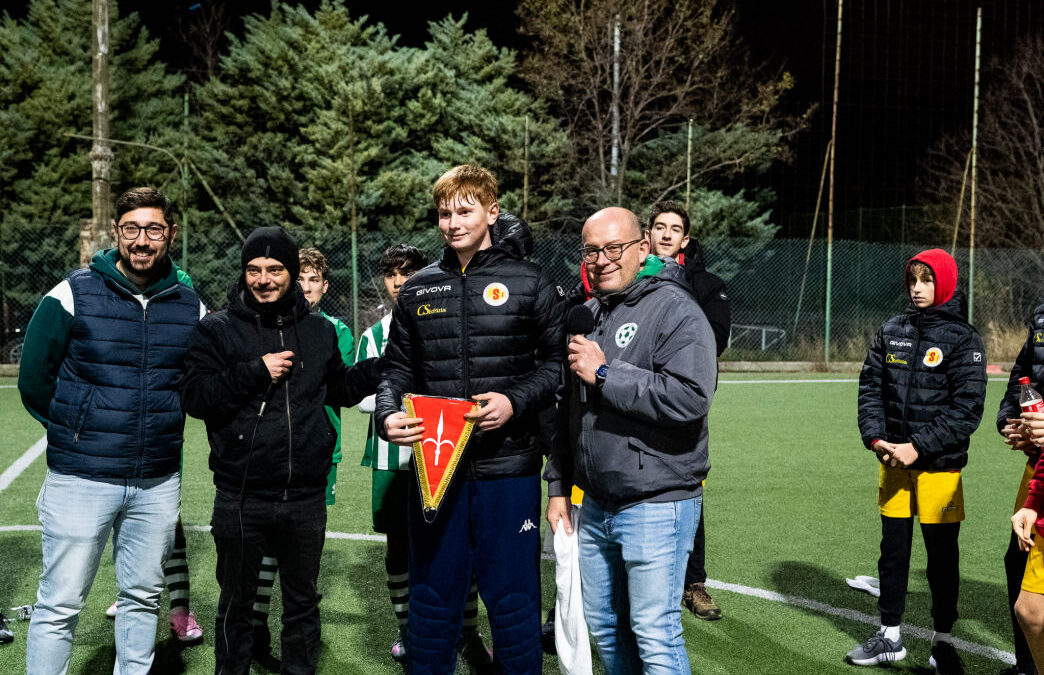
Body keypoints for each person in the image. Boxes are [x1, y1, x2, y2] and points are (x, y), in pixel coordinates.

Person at [375, 164, 565, 674]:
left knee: (513, 601)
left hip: (510, 469)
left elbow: (557, 367)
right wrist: (389, 415)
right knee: (433, 598)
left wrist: (513, 401)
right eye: (444, 212)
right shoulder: (418, 289)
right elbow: (397, 371)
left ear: (491, 212)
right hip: (436, 471)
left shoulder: (531, 282)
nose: (453, 222)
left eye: (465, 210)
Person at [18, 187, 205, 674]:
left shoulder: (189, 305)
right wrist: (75, 430)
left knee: (142, 600)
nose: (142, 240)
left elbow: (204, 380)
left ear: (171, 234)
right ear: (116, 232)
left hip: (157, 482)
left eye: (154, 229)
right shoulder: (72, 292)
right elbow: (35, 378)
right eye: (132, 229)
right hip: (81, 478)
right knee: (59, 605)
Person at [179, 226, 378, 675]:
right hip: (240, 495)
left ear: (291, 272)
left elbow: (340, 389)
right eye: (253, 269)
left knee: (302, 605)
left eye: (274, 269)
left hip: (305, 497)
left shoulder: (319, 331)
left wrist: (385, 366)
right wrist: (255, 372)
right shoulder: (216, 330)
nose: (263, 279)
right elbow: (195, 397)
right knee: (236, 606)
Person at [545, 206, 717, 674]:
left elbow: (689, 398)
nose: (601, 259)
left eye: (614, 248)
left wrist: (605, 372)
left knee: (655, 632)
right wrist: (557, 484)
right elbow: (568, 408)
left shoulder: (677, 310)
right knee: (604, 625)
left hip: (657, 501)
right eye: (592, 250)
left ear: (643, 250)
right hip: (596, 503)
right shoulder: (589, 312)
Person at [848, 248, 986, 674]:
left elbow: (966, 410)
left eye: (926, 280)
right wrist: (876, 438)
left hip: (939, 469)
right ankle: (889, 636)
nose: (918, 288)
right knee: (893, 552)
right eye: (913, 280)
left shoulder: (964, 339)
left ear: (943, 284)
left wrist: (918, 446)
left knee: (942, 558)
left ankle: (942, 642)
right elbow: (870, 387)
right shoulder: (892, 329)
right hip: (893, 464)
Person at [248, 246, 355, 657]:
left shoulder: (335, 331)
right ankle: (256, 619)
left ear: (325, 287)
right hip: (271, 449)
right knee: (267, 542)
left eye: (315, 280)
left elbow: (335, 386)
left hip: (317, 452)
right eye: (302, 278)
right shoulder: (266, 323)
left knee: (303, 544)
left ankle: (298, 623)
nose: (307, 287)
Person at [646, 200, 730, 622]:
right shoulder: (628, 278)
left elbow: (713, 342)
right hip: (634, 398)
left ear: (685, 238)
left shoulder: (707, 284)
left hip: (681, 405)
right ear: (647, 233)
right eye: (659, 226)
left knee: (688, 489)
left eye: (674, 228)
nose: (665, 234)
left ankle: (693, 583)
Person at [998, 305, 1044, 675]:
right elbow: (1021, 376)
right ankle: (1026, 665)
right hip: (1040, 465)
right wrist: (1009, 422)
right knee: (1018, 557)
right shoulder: (1041, 316)